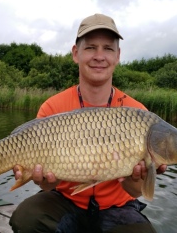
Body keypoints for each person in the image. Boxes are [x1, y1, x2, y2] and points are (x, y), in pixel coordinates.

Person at [10, 13, 167, 233]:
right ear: (76, 54)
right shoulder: (53, 107)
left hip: (117, 207)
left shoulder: (138, 114)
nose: (99, 56)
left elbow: (136, 192)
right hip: (65, 200)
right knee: (26, 218)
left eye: (108, 48)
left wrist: (133, 177)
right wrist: (42, 180)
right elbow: (47, 185)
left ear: (118, 56)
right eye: (91, 47)